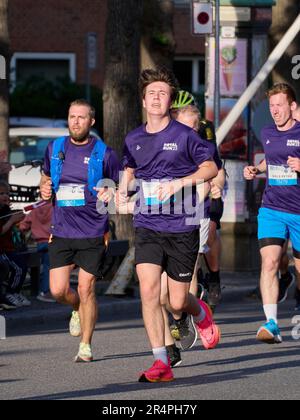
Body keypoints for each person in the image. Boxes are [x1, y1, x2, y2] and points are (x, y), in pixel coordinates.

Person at [118, 67, 220, 383]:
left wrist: (180, 182)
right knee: (148, 292)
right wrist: (121, 190)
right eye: (152, 93)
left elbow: (210, 167)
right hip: (148, 225)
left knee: (177, 301)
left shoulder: (185, 136)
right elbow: (130, 168)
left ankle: (200, 312)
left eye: (163, 93)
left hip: (182, 226)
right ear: (144, 101)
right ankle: (160, 362)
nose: (157, 98)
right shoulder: (133, 138)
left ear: (170, 100)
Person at [40, 99, 120, 363]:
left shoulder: (105, 153)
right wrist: (44, 186)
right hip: (61, 229)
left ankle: (85, 345)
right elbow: (45, 176)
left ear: (91, 121)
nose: (75, 121)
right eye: (72, 116)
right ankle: (76, 307)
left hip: (93, 230)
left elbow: (119, 185)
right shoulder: (55, 148)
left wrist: (111, 191)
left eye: (81, 117)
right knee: (58, 290)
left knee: (86, 288)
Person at [244, 83, 300, 343]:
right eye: (272, 106)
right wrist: (256, 169)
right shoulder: (267, 132)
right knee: (269, 263)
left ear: (292, 106)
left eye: (280, 105)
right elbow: (271, 159)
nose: (275, 111)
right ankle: (271, 323)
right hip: (272, 208)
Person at [0, 180, 29, 308]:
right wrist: (11, 220)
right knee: (17, 267)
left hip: (10, 247)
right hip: (2, 250)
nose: (5, 196)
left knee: (23, 264)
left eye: (7, 193)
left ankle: (16, 292)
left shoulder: (6, 210)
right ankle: (10, 292)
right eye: (1, 193)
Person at [19, 200, 55, 303]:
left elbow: (23, 226)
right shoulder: (55, 206)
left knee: (46, 266)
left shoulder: (35, 208)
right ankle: (45, 291)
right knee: (50, 267)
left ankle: (45, 290)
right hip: (52, 241)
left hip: (40, 242)